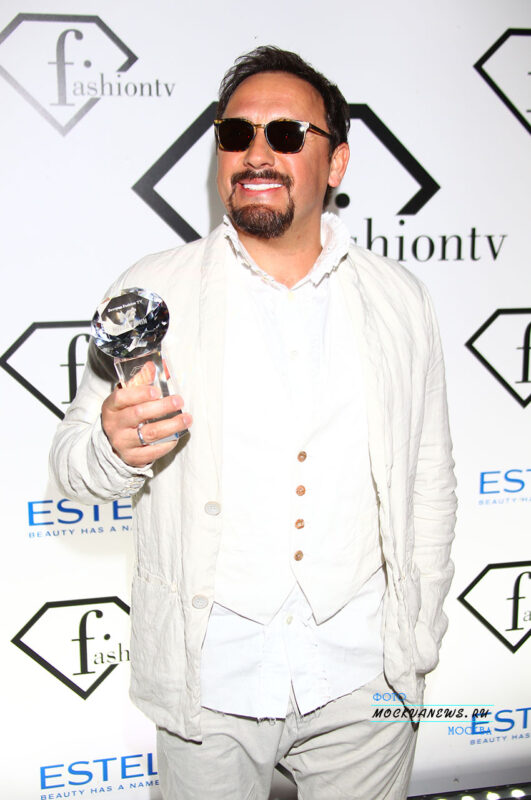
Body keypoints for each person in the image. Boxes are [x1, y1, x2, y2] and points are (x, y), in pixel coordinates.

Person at [50, 45, 457, 800]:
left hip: (367, 678)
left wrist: (420, 632)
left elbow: (430, 479)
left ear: (336, 163)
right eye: (236, 134)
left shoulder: (400, 299)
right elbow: (73, 464)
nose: (256, 154)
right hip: (210, 682)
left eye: (286, 134)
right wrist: (112, 446)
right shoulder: (152, 290)